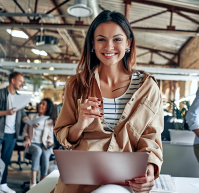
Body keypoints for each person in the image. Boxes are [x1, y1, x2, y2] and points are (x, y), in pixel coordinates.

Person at [53, 10, 164, 193]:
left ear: (128, 43)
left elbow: (151, 138)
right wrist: (80, 124)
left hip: (127, 182)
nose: (109, 46)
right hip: (80, 183)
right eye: (101, 39)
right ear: (92, 44)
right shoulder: (77, 84)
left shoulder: (148, 87)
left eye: (117, 39)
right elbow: (64, 137)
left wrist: (150, 170)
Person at [0, 71, 29, 193]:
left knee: (5, 160)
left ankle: (2, 184)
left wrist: (32, 122)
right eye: (20, 81)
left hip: (11, 134)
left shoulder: (19, 98)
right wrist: (7, 112)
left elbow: (23, 115)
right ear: (13, 80)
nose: (22, 83)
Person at [22, 98, 55, 189]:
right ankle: (32, 181)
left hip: (43, 145)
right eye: (40, 103)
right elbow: (25, 131)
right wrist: (27, 138)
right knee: (37, 150)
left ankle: (42, 182)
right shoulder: (31, 116)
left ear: (47, 108)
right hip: (32, 144)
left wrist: (49, 142)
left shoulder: (49, 120)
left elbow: (51, 137)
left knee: (45, 153)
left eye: (43, 104)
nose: (40, 105)